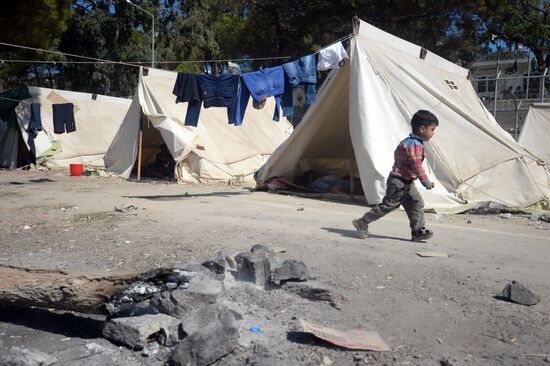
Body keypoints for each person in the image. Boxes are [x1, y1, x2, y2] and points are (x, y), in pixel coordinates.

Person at [352, 110, 439, 242]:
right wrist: (426, 182)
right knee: (387, 206)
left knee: (416, 203)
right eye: (432, 129)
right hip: (398, 183)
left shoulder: (411, 142)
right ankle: (362, 222)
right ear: (422, 129)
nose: (433, 133)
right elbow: (416, 166)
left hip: (407, 183)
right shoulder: (414, 145)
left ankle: (418, 231)